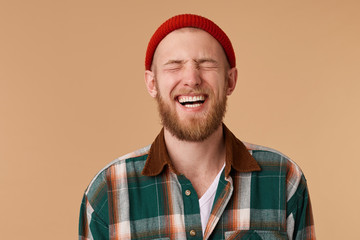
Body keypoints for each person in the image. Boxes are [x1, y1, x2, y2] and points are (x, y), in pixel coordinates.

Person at [79, 14, 315, 240]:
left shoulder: (284, 179)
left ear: (230, 80)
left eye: (206, 64)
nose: (192, 79)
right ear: (152, 83)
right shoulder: (107, 191)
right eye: (174, 66)